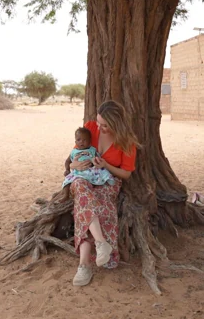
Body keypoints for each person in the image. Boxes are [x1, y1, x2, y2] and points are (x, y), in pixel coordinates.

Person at [69, 100, 139, 286]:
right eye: (99, 123)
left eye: (105, 125)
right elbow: (74, 154)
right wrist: (72, 165)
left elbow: (126, 174)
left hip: (108, 180)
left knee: (97, 207)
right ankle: (92, 254)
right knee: (82, 192)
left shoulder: (127, 142)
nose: (99, 127)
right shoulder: (91, 127)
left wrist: (106, 164)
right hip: (84, 176)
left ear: (117, 123)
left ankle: (92, 257)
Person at [58, 127, 115, 202]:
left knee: (100, 175)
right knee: (67, 181)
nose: (81, 142)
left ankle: (107, 180)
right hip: (77, 172)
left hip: (91, 171)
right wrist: (67, 169)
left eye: (84, 140)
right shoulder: (73, 152)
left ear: (89, 141)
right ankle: (66, 195)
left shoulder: (92, 150)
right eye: (79, 140)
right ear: (75, 141)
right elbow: (67, 161)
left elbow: (98, 158)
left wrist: (95, 162)